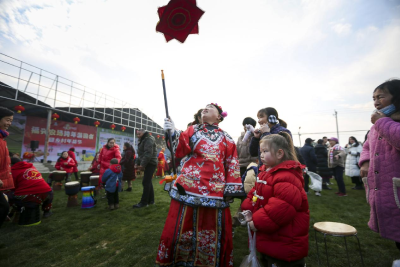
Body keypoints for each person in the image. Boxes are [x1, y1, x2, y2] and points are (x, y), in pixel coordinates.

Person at [155, 103, 242, 266]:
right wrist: (172, 132)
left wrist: (231, 189)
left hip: (215, 191)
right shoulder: (193, 130)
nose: (205, 108)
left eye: (211, 107)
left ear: (219, 116)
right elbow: (179, 150)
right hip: (188, 186)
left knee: (210, 230)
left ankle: (206, 261)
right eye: (204, 107)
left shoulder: (227, 137)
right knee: (181, 227)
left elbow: (232, 163)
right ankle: (179, 260)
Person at [241, 132, 309, 267]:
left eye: (265, 151)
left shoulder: (287, 176)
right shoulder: (267, 173)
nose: (261, 155)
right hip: (271, 238)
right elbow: (255, 193)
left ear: (279, 153)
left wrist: (257, 221)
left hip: (285, 243)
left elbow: (281, 207)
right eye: (261, 151)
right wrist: (248, 207)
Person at [359, 79, 400, 263]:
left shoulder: (382, 122)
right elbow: (367, 146)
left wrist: (382, 122)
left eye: (380, 96)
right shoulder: (376, 125)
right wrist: (365, 162)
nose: (375, 101)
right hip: (384, 187)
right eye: (373, 97)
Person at [133, 129, 157, 208]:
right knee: (148, 182)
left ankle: (144, 202)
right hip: (148, 162)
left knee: (146, 182)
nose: (138, 135)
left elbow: (147, 153)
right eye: (137, 134)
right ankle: (151, 200)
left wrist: (142, 165)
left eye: (139, 134)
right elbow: (141, 154)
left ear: (143, 133)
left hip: (150, 163)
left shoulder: (148, 139)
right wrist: (137, 163)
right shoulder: (143, 139)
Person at [0, 107, 14, 228]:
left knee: (4, 207)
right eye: (7, 120)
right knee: (3, 207)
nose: (9, 123)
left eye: (11, 121)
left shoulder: (2, 139)